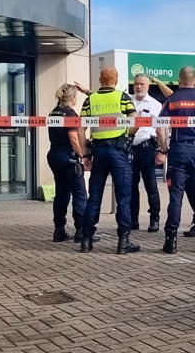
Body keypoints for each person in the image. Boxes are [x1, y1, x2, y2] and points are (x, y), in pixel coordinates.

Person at [154, 66, 195, 254]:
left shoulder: (172, 100)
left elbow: (160, 128)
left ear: (179, 80)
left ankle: (171, 240)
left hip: (178, 150)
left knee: (176, 196)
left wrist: (165, 148)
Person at [79, 67, 141, 254]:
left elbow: (81, 129)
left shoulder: (91, 99)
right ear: (116, 79)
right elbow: (135, 122)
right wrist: (125, 135)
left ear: (100, 79)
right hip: (119, 151)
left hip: (99, 152)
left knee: (95, 196)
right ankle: (123, 242)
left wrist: (85, 155)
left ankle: (86, 240)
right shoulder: (123, 98)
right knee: (123, 197)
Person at [47, 84, 89, 242]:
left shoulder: (53, 112)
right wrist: (83, 155)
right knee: (79, 194)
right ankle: (80, 231)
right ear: (72, 98)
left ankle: (59, 230)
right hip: (68, 156)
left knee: (61, 194)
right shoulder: (70, 113)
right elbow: (73, 138)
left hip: (54, 155)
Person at [129, 74, 163, 232]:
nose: (139, 87)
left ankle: (154, 219)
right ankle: (133, 220)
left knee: (151, 186)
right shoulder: (127, 101)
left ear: (148, 86)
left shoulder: (156, 104)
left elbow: (161, 129)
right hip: (130, 149)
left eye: (142, 84)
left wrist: (162, 151)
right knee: (131, 186)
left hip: (147, 148)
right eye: (136, 84)